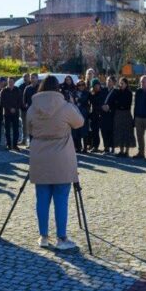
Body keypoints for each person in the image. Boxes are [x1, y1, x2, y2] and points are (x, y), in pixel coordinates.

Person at [24, 75, 84, 250]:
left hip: (40, 156)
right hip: (61, 158)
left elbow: (29, 129)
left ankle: (43, 236)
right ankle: (61, 237)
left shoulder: (33, 108)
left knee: (41, 198)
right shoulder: (65, 107)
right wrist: (72, 103)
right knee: (61, 199)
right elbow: (79, 122)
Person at [111, 77, 136, 157]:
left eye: (122, 83)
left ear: (126, 84)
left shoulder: (129, 93)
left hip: (126, 114)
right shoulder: (117, 92)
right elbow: (115, 102)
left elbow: (126, 103)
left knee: (127, 132)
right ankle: (121, 151)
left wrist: (119, 104)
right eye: (120, 83)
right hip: (118, 114)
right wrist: (118, 104)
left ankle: (127, 151)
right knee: (119, 131)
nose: (121, 85)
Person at [0, 77, 22, 150]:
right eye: (9, 82)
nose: (10, 83)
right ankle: (8, 144)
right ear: (7, 82)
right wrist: (9, 108)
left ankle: (15, 145)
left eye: (12, 81)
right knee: (7, 129)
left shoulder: (17, 90)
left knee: (16, 129)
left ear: (14, 82)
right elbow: (1, 102)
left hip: (16, 113)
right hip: (7, 113)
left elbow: (20, 101)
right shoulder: (3, 90)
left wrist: (15, 108)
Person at [71, 80, 91, 153]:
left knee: (85, 131)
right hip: (76, 114)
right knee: (77, 131)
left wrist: (78, 99)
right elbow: (72, 102)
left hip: (84, 114)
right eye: (79, 85)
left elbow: (84, 100)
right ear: (77, 86)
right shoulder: (74, 93)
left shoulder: (87, 93)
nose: (81, 86)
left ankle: (85, 148)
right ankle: (78, 147)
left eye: (83, 84)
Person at [100, 76, 117, 154]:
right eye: (107, 80)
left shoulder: (116, 91)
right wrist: (102, 106)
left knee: (111, 131)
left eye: (109, 81)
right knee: (104, 131)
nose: (108, 82)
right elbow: (99, 100)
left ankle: (112, 147)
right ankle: (106, 147)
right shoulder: (103, 90)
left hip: (111, 114)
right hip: (103, 114)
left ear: (113, 82)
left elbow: (117, 103)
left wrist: (109, 107)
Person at [22, 73, 40, 147]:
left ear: (37, 78)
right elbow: (24, 100)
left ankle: (39, 143)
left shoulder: (40, 88)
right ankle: (31, 143)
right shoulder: (27, 88)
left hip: (39, 111)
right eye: (31, 78)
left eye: (34, 77)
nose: (32, 79)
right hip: (30, 111)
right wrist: (26, 106)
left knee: (39, 128)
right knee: (30, 128)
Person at [88, 79, 105, 153]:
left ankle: (107, 147)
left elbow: (101, 104)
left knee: (103, 132)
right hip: (93, 115)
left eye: (97, 85)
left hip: (101, 115)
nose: (96, 87)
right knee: (94, 131)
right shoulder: (91, 94)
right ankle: (95, 146)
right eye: (95, 85)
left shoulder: (102, 93)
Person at [18, 72, 31, 145]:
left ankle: (30, 141)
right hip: (23, 109)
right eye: (24, 77)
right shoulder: (21, 86)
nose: (25, 78)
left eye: (27, 77)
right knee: (24, 125)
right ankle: (24, 140)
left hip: (31, 109)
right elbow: (18, 97)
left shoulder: (32, 86)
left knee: (31, 125)